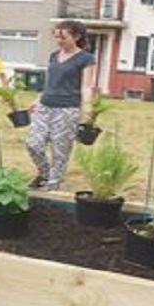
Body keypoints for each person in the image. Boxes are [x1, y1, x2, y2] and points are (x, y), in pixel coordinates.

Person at [27, 20, 96, 191]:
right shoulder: (53, 55)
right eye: (56, 36)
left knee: (60, 150)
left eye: (63, 37)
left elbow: (87, 86)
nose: (59, 40)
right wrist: (37, 100)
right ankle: (44, 173)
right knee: (33, 144)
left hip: (67, 109)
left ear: (77, 36)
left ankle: (53, 184)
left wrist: (88, 110)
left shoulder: (86, 58)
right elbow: (50, 83)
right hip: (45, 106)